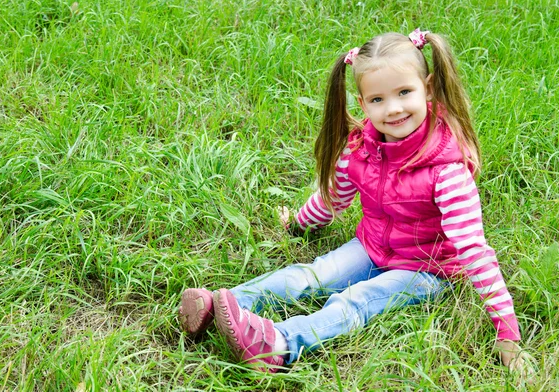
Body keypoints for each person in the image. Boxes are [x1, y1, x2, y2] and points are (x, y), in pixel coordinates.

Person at [178, 29, 530, 374]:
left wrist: (507, 336)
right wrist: (298, 223)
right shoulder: (360, 150)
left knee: (355, 301)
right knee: (312, 275)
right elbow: (333, 199)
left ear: (429, 88)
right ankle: (226, 304)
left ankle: (279, 344)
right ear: (362, 103)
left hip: (427, 270)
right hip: (371, 246)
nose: (393, 109)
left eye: (404, 92)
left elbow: (475, 251)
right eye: (378, 100)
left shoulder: (447, 171)